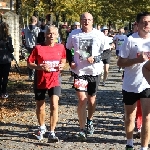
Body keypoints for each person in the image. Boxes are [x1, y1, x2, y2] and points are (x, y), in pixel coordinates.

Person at [66, 12, 105, 140]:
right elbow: (68, 49)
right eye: (84, 19)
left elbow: (107, 52)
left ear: (92, 21)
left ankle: (89, 120)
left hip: (94, 71)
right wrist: (70, 60)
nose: (86, 22)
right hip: (79, 72)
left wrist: (96, 58)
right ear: (80, 20)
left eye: (89, 20)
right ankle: (82, 129)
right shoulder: (73, 34)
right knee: (82, 99)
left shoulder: (99, 34)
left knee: (92, 100)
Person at [27, 25, 66, 142]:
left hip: (55, 79)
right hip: (41, 80)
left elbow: (63, 59)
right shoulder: (38, 48)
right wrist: (39, 67)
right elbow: (29, 63)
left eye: (54, 33)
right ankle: (42, 126)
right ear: (45, 35)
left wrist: (62, 65)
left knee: (54, 104)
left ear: (57, 35)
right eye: (49, 33)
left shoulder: (61, 47)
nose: (52, 35)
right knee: (40, 105)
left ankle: (52, 132)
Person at [117, 12, 150, 150]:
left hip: (147, 83)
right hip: (130, 83)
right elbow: (120, 62)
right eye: (144, 22)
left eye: (149, 22)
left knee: (147, 117)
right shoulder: (130, 40)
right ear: (138, 24)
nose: (147, 24)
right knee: (130, 116)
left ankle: (144, 147)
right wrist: (137, 60)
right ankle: (129, 143)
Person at [0, 22, 14, 99]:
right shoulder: (8, 38)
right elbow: (11, 49)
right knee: (5, 77)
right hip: (6, 60)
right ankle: (4, 91)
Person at [25, 16, 40, 80]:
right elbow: (38, 37)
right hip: (34, 47)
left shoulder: (26, 28)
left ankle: (30, 76)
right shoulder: (37, 29)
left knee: (29, 61)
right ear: (35, 21)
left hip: (27, 47)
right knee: (35, 61)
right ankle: (34, 75)